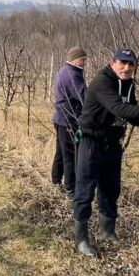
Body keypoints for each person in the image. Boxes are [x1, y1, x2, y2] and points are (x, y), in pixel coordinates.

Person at [73, 48, 139, 256]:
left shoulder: (127, 84)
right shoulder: (102, 82)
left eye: (131, 64)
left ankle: (107, 231)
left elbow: (132, 115)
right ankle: (81, 238)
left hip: (112, 144)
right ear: (112, 63)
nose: (126, 68)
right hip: (91, 142)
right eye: (122, 63)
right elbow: (119, 109)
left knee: (111, 189)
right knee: (85, 191)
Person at [51, 46, 87, 200]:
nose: (84, 62)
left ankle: (55, 181)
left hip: (60, 118)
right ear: (75, 59)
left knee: (60, 151)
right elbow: (84, 97)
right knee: (71, 155)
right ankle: (70, 190)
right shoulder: (74, 75)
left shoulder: (63, 71)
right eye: (83, 59)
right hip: (69, 120)